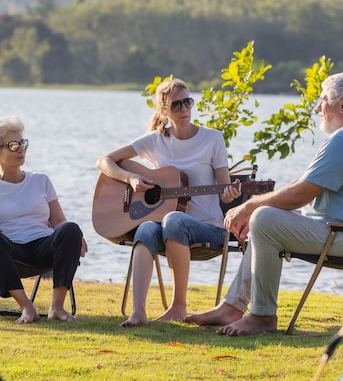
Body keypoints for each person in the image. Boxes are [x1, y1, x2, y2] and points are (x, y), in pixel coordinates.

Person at [186, 71, 343, 335]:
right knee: (267, 218)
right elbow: (305, 194)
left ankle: (262, 317)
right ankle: (232, 306)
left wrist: (248, 207)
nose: (318, 107)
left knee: (264, 218)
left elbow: (300, 194)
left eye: (323, 100)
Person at [96, 78, 241, 327]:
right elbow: (104, 161)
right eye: (176, 105)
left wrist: (230, 194)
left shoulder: (212, 139)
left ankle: (178, 307)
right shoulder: (155, 140)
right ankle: (138, 312)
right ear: (163, 111)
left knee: (173, 219)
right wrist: (130, 178)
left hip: (210, 228)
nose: (184, 109)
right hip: (168, 229)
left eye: (187, 102)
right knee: (146, 228)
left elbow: (224, 192)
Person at [0, 115, 87, 324]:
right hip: (10, 250)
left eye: (23, 143)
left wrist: (74, 236)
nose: (21, 149)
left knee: (72, 229)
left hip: (42, 247)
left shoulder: (41, 180)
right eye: (13, 145)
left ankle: (57, 307)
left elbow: (59, 221)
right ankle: (27, 307)